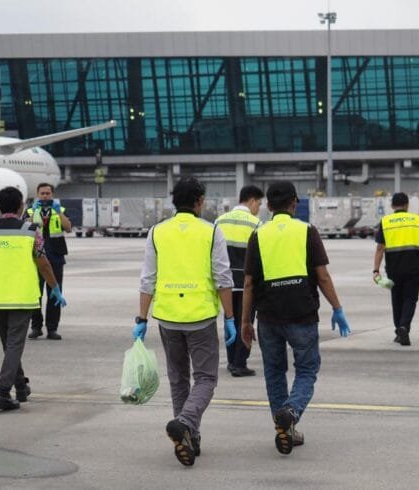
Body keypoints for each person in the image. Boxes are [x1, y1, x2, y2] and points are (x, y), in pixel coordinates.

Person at [241, 181, 350, 456]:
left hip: (268, 317)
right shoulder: (306, 231)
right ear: (295, 203)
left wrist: (245, 321)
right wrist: (337, 307)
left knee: (274, 372)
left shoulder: (259, 234)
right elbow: (322, 275)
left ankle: (284, 427)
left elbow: (250, 283)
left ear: (268, 206)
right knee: (306, 370)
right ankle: (291, 412)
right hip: (302, 314)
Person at [134, 176, 236, 467]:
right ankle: (186, 423)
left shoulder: (157, 232)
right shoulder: (211, 231)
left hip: (166, 316)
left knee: (179, 379)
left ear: (173, 201)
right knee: (206, 379)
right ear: (200, 201)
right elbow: (223, 278)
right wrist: (229, 317)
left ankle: (189, 436)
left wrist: (141, 318)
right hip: (200, 316)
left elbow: (147, 279)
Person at [0, 186, 67, 410]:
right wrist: (54, 288)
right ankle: (2, 391)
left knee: (9, 344)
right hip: (22, 296)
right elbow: (43, 262)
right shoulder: (31, 229)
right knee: (14, 345)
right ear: (20, 206)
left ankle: (21, 387)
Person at [214, 185, 264, 377]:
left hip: (225, 283)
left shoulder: (219, 221)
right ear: (251, 200)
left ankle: (231, 360)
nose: (259, 208)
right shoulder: (256, 224)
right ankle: (239, 363)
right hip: (245, 284)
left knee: (229, 320)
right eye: (258, 204)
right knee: (246, 322)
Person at [372, 192, 419, 346]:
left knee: (396, 300)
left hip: (394, 268)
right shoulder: (417, 220)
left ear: (392, 206)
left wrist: (376, 270)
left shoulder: (385, 221)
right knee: (410, 299)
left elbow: (380, 248)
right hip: (414, 267)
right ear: (407, 205)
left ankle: (399, 330)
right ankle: (404, 327)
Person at [26, 183, 71, 340]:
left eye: (48, 193)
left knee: (54, 293)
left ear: (52, 194)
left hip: (56, 257)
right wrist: (34, 212)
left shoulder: (60, 209)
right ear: (37, 195)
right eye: (42, 193)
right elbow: (25, 228)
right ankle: (36, 327)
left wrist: (59, 213)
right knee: (35, 294)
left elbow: (68, 228)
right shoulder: (31, 210)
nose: (45, 196)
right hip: (35, 258)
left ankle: (52, 328)